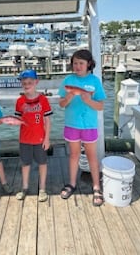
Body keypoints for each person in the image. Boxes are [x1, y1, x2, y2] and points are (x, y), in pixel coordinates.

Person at [58, 49, 106, 206]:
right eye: (75, 63)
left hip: (89, 126)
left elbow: (100, 106)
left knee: (92, 156)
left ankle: (96, 187)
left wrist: (88, 100)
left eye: (81, 63)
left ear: (89, 64)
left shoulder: (94, 81)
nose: (78, 66)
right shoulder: (67, 80)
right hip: (72, 124)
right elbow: (61, 104)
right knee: (73, 155)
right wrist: (68, 97)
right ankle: (71, 183)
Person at [15, 69, 53, 202]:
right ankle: (24, 187)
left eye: (30, 82)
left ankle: (42, 188)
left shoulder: (43, 100)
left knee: (42, 163)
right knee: (25, 164)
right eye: (24, 83)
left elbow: (47, 120)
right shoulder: (19, 101)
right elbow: (18, 119)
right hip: (24, 139)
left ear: (36, 82)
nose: (27, 85)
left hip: (40, 139)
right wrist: (11, 122)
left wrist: (47, 138)